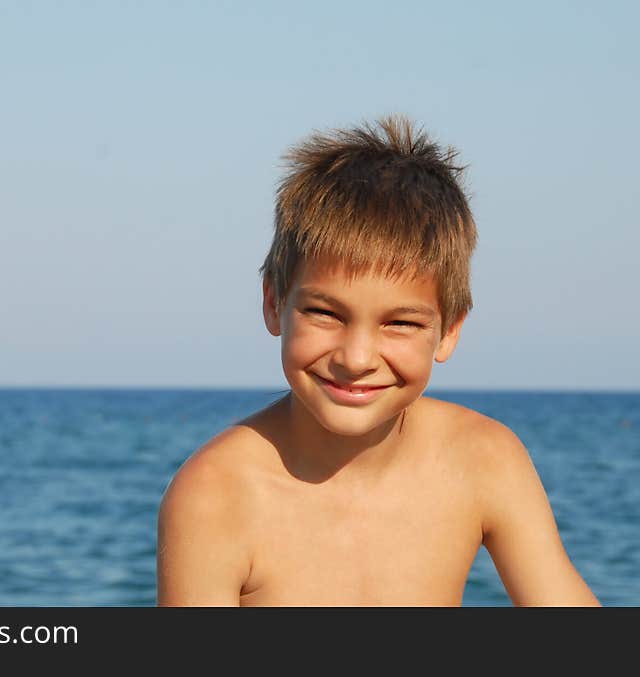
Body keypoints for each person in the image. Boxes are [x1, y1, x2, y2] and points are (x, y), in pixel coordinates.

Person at [156, 115, 600, 606]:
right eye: (325, 313)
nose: (357, 357)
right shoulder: (216, 495)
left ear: (448, 331)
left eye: (400, 323)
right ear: (273, 303)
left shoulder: (483, 460)